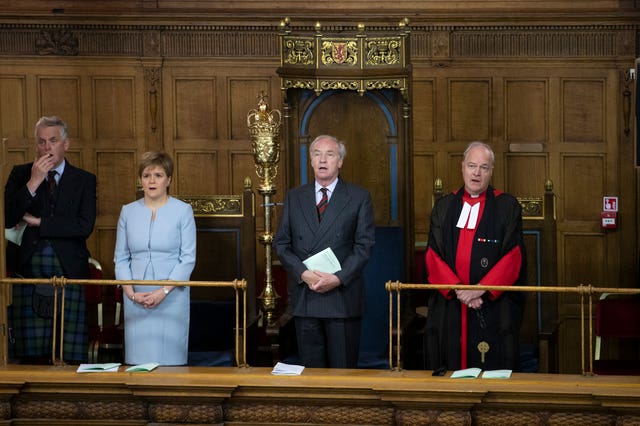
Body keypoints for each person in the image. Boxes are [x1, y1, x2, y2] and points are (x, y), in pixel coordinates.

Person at [424, 141, 527, 371]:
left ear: (491, 171)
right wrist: (460, 290)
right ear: (462, 167)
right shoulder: (444, 206)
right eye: (471, 166)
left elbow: (514, 255)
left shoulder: (506, 206)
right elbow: (432, 255)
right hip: (452, 302)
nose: (476, 173)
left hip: (492, 303)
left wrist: (481, 288)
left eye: (483, 167)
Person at [274, 135, 375, 368]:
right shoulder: (294, 197)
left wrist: (338, 278)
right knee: (312, 376)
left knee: (343, 374)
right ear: (310, 160)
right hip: (307, 296)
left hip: (342, 299)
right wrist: (302, 273)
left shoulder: (359, 198)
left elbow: (364, 246)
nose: (322, 160)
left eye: (330, 154)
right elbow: (282, 244)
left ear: (340, 161)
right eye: (317, 154)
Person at [4, 116, 97, 364]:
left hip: (68, 268)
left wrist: (40, 223)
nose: (47, 148)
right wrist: (33, 182)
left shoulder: (84, 180)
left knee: (69, 355)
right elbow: (7, 217)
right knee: (30, 354)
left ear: (66, 144)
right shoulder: (21, 174)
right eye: (42, 142)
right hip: (28, 270)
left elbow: (83, 226)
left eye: (53, 141)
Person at [114, 151, 196, 366]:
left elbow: (187, 258)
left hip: (172, 295)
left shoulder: (183, 211)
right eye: (146, 175)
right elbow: (121, 258)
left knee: (170, 363)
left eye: (158, 175)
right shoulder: (127, 212)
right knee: (137, 364)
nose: (151, 181)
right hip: (136, 296)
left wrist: (163, 291)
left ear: (169, 180)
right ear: (140, 179)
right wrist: (131, 293)